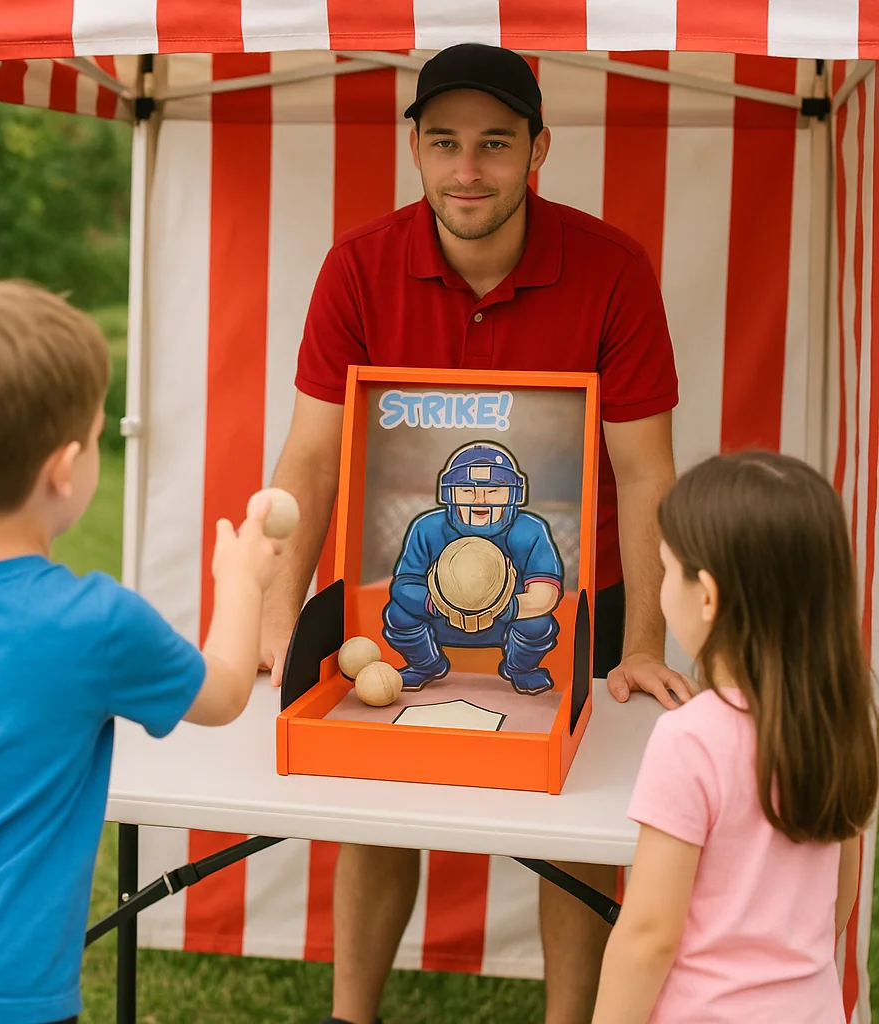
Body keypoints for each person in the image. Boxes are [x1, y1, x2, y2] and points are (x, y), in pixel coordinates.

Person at [260, 41, 693, 1024]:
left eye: (495, 143)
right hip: (395, 591)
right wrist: (279, 622)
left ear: (539, 148)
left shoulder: (613, 269)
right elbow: (311, 461)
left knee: (576, 821)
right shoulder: (356, 268)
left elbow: (645, 472)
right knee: (374, 801)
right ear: (412, 146)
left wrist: (640, 647)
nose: (468, 169)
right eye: (446, 142)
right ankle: (350, 1015)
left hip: (574, 590)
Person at [0, 281, 279, 1024]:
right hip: (3, 1001)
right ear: (64, 468)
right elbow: (223, 694)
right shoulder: (94, 622)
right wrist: (242, 582)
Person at [591, 450, 878, 1023]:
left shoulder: (690, 739)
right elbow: (837, 903)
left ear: (708, 596)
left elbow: (648, 935)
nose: (662, 582)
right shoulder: (841, 717)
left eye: (669, 568)